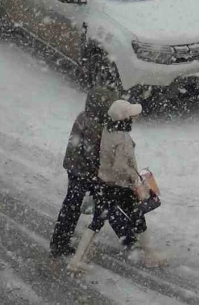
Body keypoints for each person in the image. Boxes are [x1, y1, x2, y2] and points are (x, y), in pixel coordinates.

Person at [67, 100, 166, 272]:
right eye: (132, 115)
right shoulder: (122, 138)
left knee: (98, 222)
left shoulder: (108, 129)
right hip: (118, 186)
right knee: (137, 216)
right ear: (124, 119)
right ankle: (149, 255)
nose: (135, 118)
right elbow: (120, 167)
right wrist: (135, 177)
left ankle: (77, 260)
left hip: (104, 183)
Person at [49, 86, 118, 257]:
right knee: (74, 204)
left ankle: (60, 240)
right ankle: (60, 243)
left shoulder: (84, 116)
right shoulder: (93, 123)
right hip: (81, 170)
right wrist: (99, 170)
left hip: (74, 168)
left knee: (72, 204)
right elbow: (90, 152)